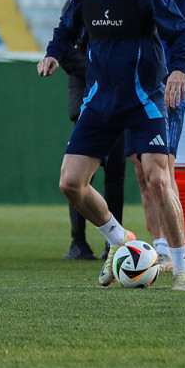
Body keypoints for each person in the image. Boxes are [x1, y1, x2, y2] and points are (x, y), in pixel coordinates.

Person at [38, 0, 185, 290]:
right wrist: (52, 54)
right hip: (101, 100)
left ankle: (182, 266)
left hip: (144, 100)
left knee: (158, 178)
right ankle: (119, 240)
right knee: (71, 183)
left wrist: (179, 70)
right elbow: (66, 30)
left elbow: (180, 31)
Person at [123, 0, 185, 271]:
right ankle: (160, 248)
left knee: (161, 170)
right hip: (139, 87)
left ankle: (176, 250)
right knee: (143, 170)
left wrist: (175, 73)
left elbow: (179, 32)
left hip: (164, 84)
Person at [61, 19, 126, 261]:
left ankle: (114, 242)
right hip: (88, 96)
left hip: (115, 95)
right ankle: (78, 241)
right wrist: (100, 73)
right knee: (81, 174)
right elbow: (66, 49)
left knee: (116, 169)